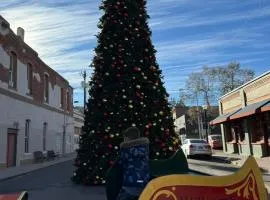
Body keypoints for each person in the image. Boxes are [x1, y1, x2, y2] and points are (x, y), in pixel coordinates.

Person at [116, 127, 150, 200]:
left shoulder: (126, 150)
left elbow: (119, 162)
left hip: (130, 183)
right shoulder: (144, 148)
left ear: (128, 138)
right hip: (144, 181)